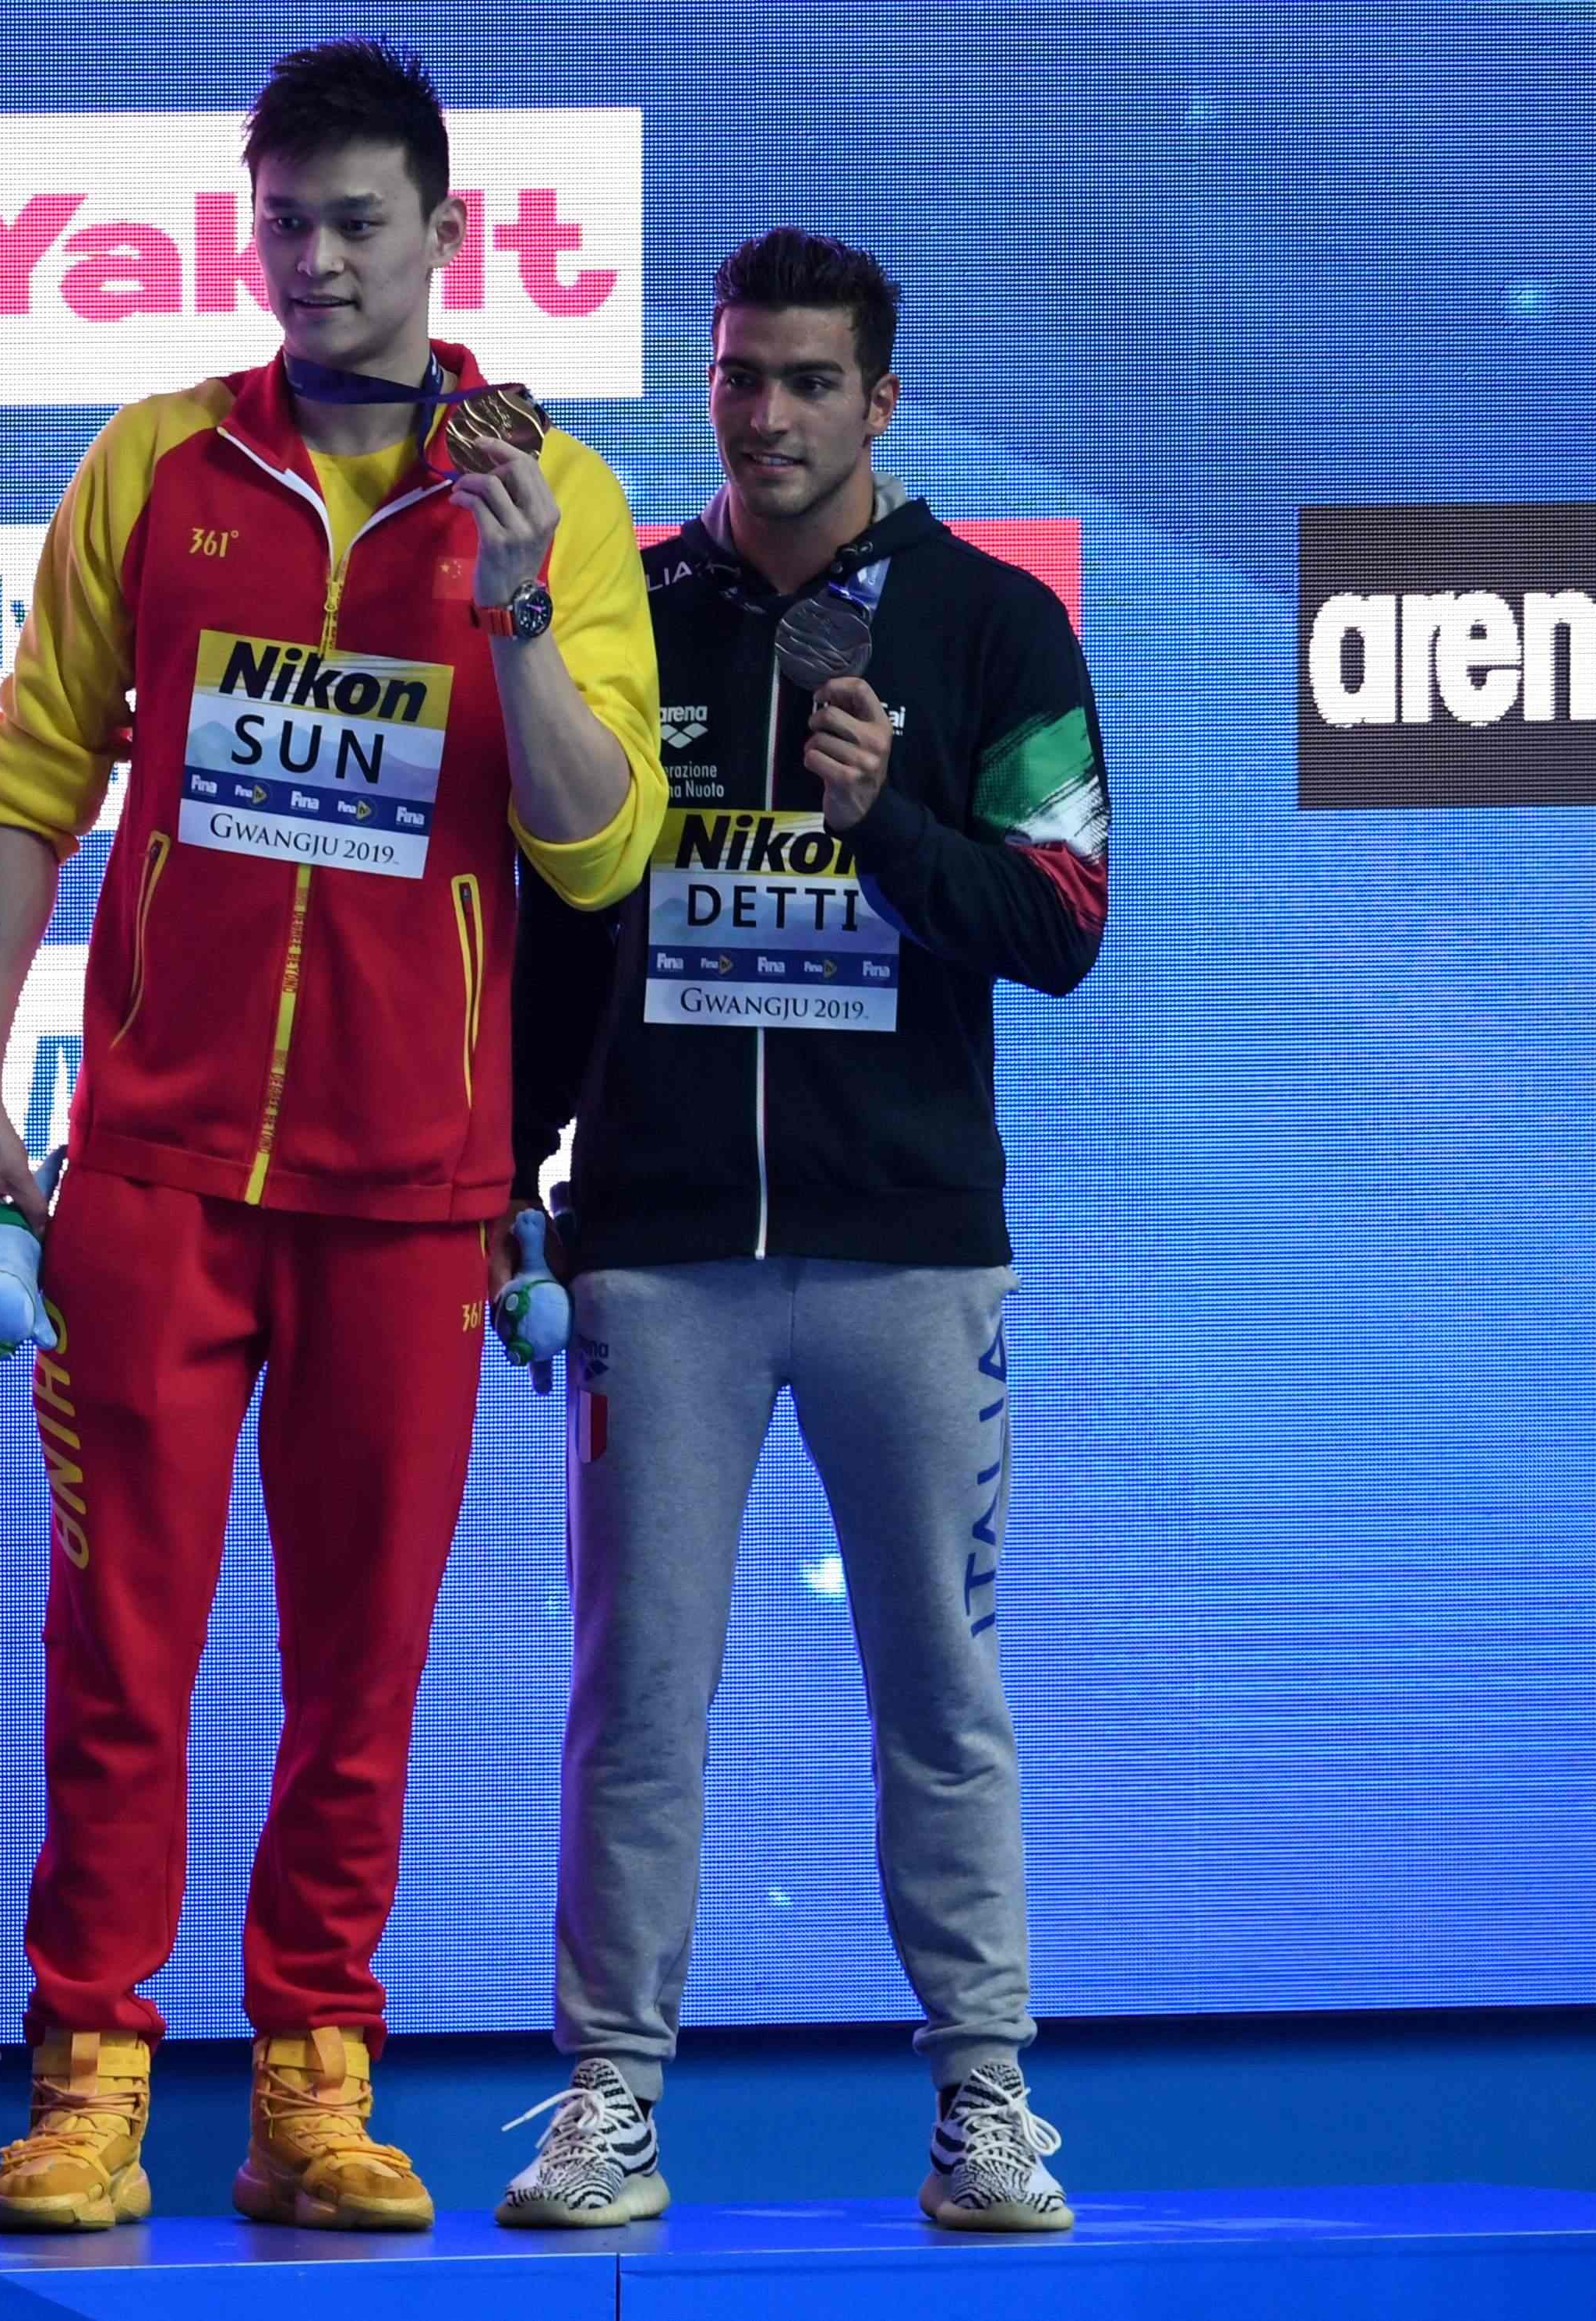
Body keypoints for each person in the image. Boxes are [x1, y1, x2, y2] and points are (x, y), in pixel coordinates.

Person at [0, 35, 666, 2236]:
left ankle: (312, 2082)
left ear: (446, 236)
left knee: (363, 1668)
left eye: (360, 221)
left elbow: (599, 844)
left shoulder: (558, 494)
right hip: (153, 1180)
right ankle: (88, 2080)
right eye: (286, 222)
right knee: (119, 1651)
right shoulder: (156, 464)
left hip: (414, 1196)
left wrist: (519, 597)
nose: (319, 258)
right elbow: (27, 787)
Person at [493, 228, 1110, 2235]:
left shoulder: (993, 628)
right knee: (636, 1686)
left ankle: (985, 2099)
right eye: (741, 377)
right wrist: (514, 1168)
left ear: (881, 404)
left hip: (911, 1253)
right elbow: (558, 924)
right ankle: (608, 2095)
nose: (765, 416)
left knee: (942, 1685)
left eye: (809, 382)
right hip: (659, 1252)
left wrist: (886, 826)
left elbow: (1065, 924)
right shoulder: (630, 615)